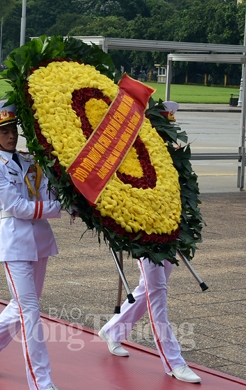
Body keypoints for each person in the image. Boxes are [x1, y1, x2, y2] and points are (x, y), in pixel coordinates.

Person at [98, 100, 201, 384]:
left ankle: (114, 330)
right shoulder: (135, 157)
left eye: (170, 126)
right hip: (146, 236)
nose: (169, 132)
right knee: (158, 294)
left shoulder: (174, 157)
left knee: (149, 288)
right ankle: (174, 361)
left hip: (171, 233)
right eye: (163, 127)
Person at [0, 101, 64, 390]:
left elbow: (47, 190)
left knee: (25, 305)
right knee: (30, 313)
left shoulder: (29, 161)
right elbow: (18, 206)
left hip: (39, 241)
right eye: (4, 131)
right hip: (15, 242)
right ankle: (41, 383)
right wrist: (59, 207)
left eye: (13, 129)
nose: (11, 136)